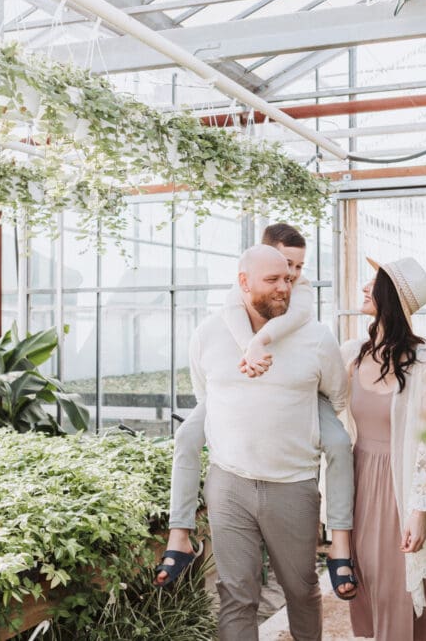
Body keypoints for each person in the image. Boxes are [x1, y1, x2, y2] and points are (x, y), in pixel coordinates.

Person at [156, 224, 357, 599]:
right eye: (286, 266)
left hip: (306, 395)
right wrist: (248, 353)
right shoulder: (236, 296)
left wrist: (259, 348)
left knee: (338, 444)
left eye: (298, 267)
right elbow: (216, 360)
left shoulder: (301, 295)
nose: (293, 276)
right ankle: (179, 535)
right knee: (186, 436)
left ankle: (340, 541)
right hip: (238, 394)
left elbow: (329, 381)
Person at [342, 257, 426, 641]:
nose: (365, 287)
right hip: (361, 487)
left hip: (405, 491)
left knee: (407, 593)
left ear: (391, 296)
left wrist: (418, 512)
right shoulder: (351, 355)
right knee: (374, 587)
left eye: (374, 282)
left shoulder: (425, 364)